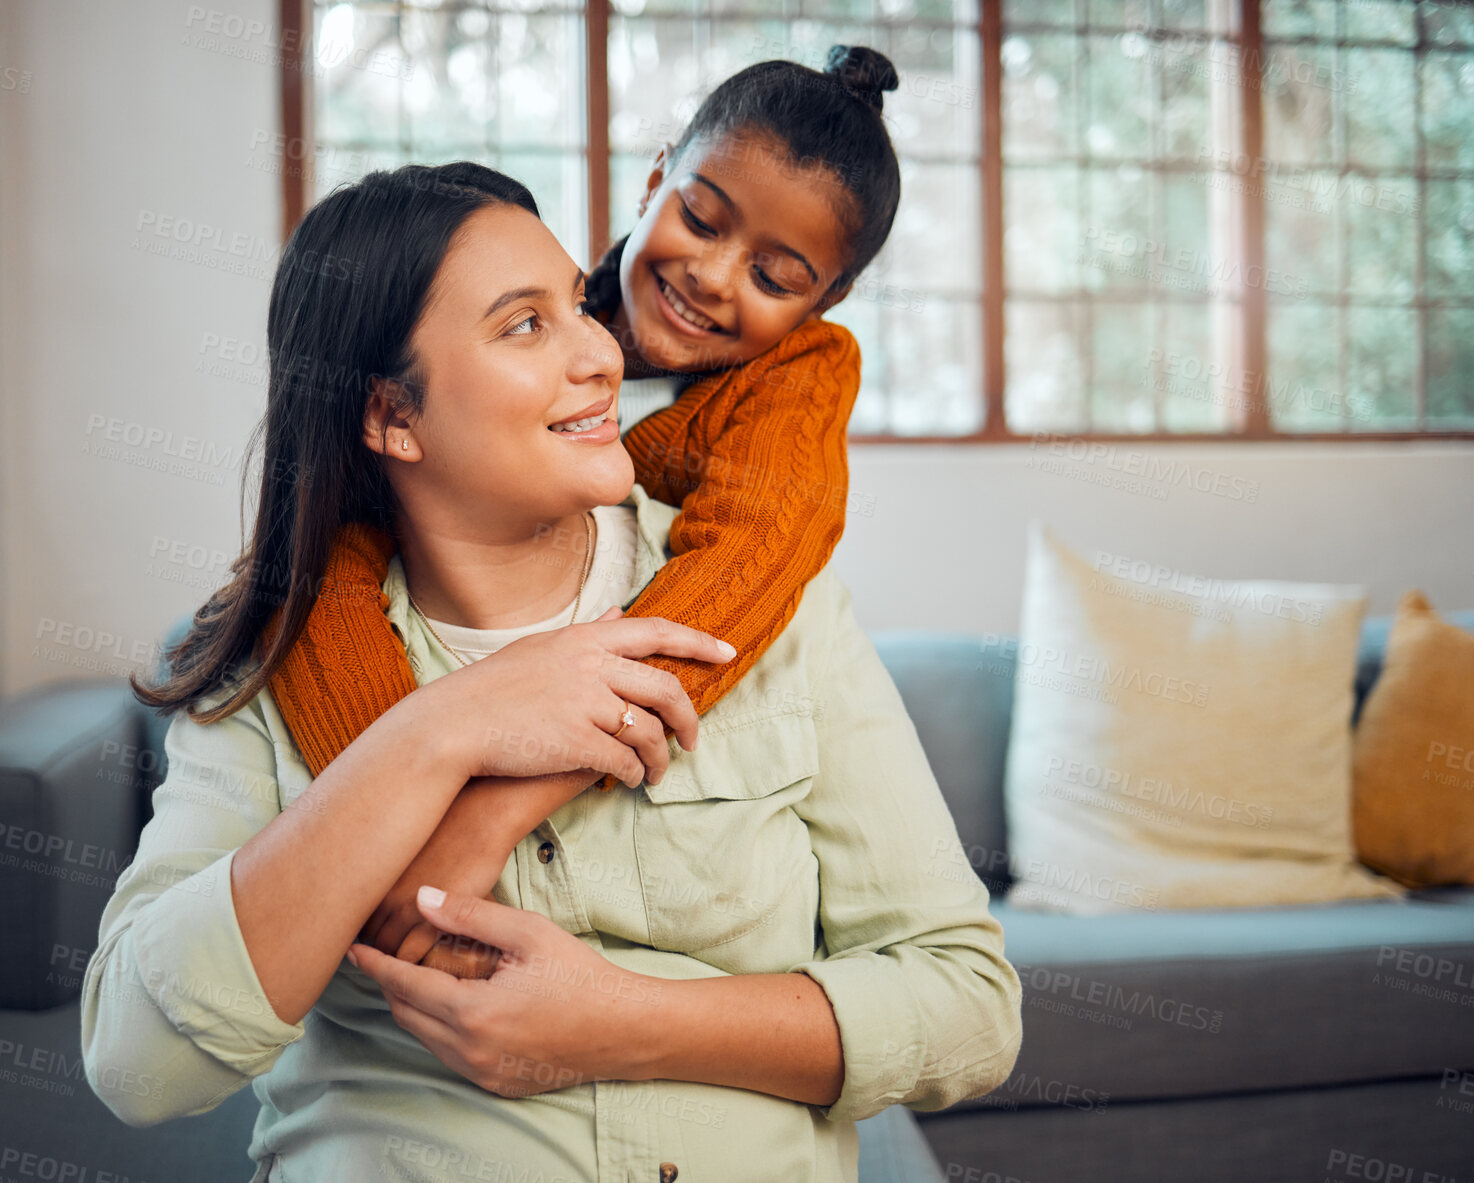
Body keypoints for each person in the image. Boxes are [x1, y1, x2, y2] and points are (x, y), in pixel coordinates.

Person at [84, 158, 1021, 1182]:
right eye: (523, 326)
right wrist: (442, 728)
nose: (600, 354)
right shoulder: (273, 657)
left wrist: (626, 1024)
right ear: (392, 415)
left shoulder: (773, 613)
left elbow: (969, 1007)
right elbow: (140, 1065)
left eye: (578, 303)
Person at [262, 48, 904, 974]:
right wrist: (413, 812)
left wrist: (494, 814)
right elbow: (326, 550)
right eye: (699, 218)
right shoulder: (532, 310)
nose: (716, 277)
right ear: (657, 177)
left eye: (775, 277)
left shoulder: (797, 378)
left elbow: (752, 561)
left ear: (827, 300)